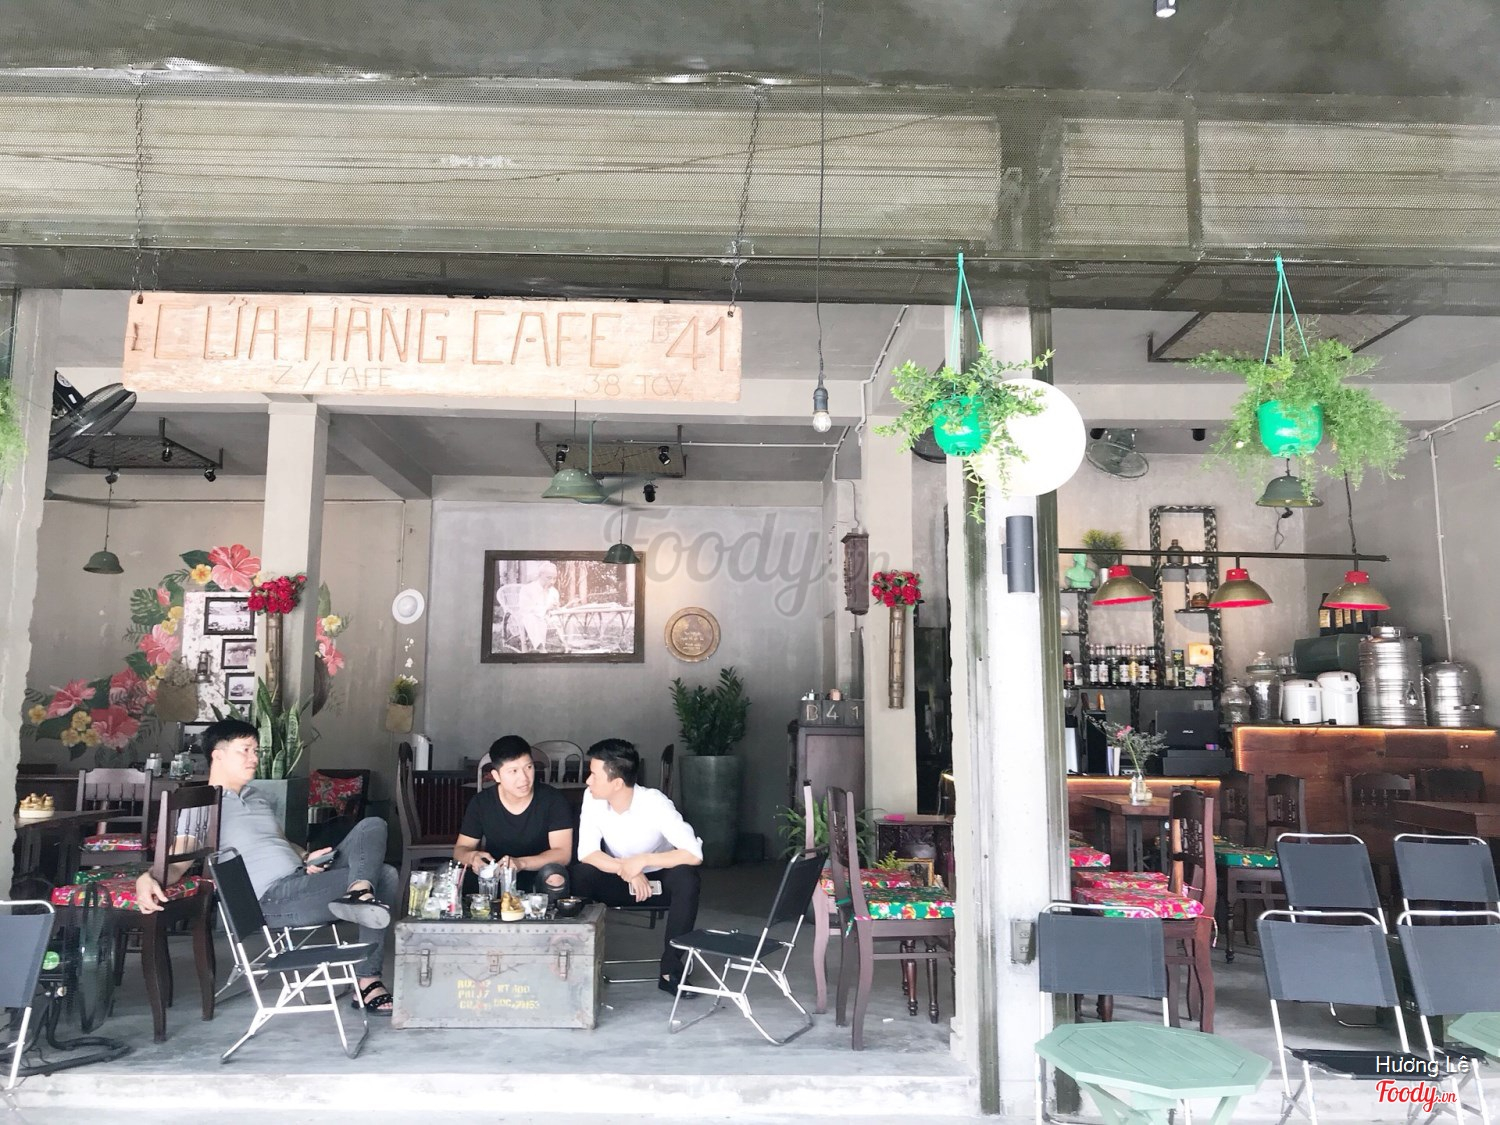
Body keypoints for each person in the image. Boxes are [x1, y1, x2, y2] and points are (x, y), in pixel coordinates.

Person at [134, 718, 400, 1015]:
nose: (254, 758)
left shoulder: (256, 796)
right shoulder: (203, 805)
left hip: (302, 877)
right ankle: (368, 980)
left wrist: (305, 856)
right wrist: (147, 877)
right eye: (245, 750)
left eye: (256, 751)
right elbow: (178, 861)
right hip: (272, 898)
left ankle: (359, 891)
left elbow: (279, 842)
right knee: (386, 875)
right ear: (218, 755)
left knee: (372, 825)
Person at [570, 739, 702, 994]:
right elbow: (587, 853)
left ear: (617, 783)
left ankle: (671, 970)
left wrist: (643, 861)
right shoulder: (593, 798)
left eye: (594, 775)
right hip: (618, 879)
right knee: (579, 875)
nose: (587, 781)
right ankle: (579, 966)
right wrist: (627, 869)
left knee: (687, 878)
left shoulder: (655, 802)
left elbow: (693, 854)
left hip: (657, 882)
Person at [453, 736, 573, 895]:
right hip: (496, 876)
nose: (524, 778)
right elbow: (460, 850)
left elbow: (563, 854)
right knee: (451, 874)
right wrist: (472, 857)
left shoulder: (553, 799)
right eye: (513, 771)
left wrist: (521, 863)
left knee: (555, 876)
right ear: (496, 776)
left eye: (528, 767)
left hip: (538, 874)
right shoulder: (482, 802)